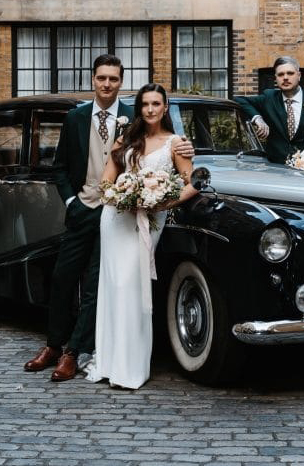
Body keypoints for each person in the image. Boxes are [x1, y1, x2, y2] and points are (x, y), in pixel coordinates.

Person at [24, 56, 193, 382]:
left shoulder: (135, 116)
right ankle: (52, 346)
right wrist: (72, 202)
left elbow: (176, 154)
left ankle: (73, 353)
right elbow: (60, 166)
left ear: (121, 82)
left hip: (123, 216)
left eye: (113, 79)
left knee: (96, 286)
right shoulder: (75, 117)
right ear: (93, 79)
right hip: (85, 209)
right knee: (62, 278)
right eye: (101, 78)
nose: (106, 84)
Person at [84, 84, 197, 389]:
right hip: (115, 219)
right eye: (145, 104)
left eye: (156, 104)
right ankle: (108, 362)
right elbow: (106, 182)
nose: (150, 109)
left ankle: (131, 367)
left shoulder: (176, 143)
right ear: (139, 108)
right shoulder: (127, 139)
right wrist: (123, 195)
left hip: (149, 220)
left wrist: (162, 201)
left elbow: (192, 183)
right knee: (114, 286)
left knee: (133, 287)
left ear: (165, 107)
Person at [235, 56, 304, 164]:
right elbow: (239, 100)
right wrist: (258, 119)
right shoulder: (269, 98)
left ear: (299, 75)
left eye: (290, 73)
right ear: (276, 78)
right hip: (275, 170)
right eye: (280, 74)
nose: (285, 77)